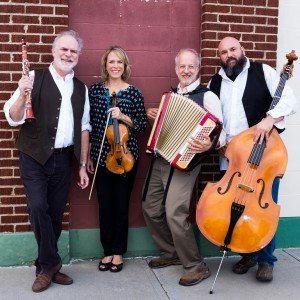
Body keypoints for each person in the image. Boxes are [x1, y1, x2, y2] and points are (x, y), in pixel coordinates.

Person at [4, 30, 91, 293]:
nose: (68, 54)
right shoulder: (33, 77)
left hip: (65, 160)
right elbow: (12, 117)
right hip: (34, 156)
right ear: (53, 52)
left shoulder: (80, 88)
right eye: (64, 49)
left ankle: (46, 265)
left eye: (73, 51)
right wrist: (21, 94)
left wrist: (83, 164)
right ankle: (49, 265)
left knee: (54, 214)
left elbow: (84, 128)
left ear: (78, 56)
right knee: (38, 207)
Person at [208, 36, 298, 282]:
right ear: (221, 56)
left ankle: (266, 260)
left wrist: (270, 119)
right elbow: (214, 120)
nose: (230, 54)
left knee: (263, 209)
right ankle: (246, 253)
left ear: (242, 49)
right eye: (224, 51)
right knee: (234, 205)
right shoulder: (214, 82)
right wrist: (220, 143)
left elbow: (289, 100)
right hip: (234, 159)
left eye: (233, 49)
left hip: (264, 157)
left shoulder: (263, 71)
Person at [142, 48, 226, 286]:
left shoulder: (207, 96)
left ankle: (196, 266)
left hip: (186, 161)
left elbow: (221, 135)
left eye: (191, 67)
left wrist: (208, 144)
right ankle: (171, 252)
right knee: (150, 206)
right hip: (161, 157)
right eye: (182, 67)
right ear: (176, 69)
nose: (186, 71)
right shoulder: (170, 95)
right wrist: (154, 118)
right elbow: (165, 128)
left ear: (197, 69)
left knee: (174, 213)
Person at [87, 46, 147, 273]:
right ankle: (107, 251)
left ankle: (118, 253)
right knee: (105, 207)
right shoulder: (94, 91)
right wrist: (91, 155)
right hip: (102, 157)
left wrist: (122, 116)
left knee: (121, 206)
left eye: (119, 62)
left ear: (125, 66)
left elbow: (141, 125)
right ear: (105, 65)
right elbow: (91, 126)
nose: (115, 66)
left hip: (126, 157)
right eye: (111, 61)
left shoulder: (133, 93)